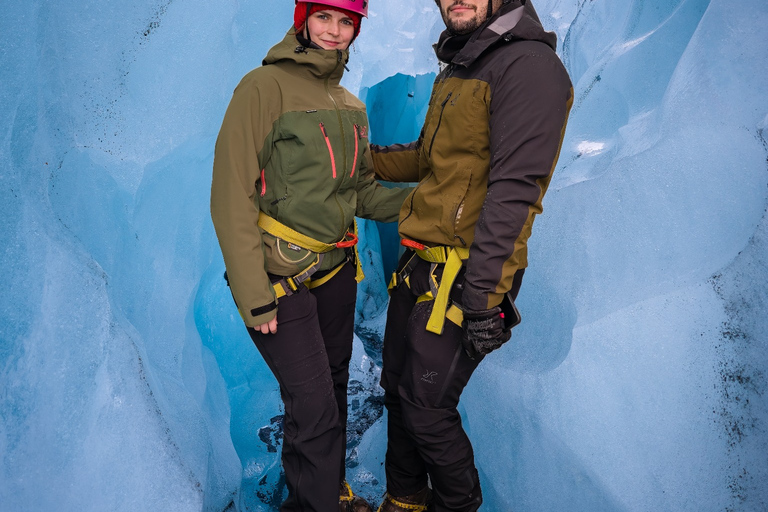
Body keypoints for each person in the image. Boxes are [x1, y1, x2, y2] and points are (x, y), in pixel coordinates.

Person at [370, 0, 573, 511]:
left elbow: (513, 192)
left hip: (464, 276)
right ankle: (405, 500)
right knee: (396, 389)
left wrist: (484, 298)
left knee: (426, 410)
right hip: (421, 264)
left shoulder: (527, 67)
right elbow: (428, 158)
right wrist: (357, 162)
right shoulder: (462, 66)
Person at [210, 1, 413, 510]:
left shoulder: (350, 105)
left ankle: (316, 496)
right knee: (316, 406)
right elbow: (230, 193)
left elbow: (361, 193)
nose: (334, 31)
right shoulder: (264, 88)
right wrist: (256, 297)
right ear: (303, 18)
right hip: (281, 280)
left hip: (337, 273)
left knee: (332, 392)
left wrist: (424, 203)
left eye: (347, 21)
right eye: (324, 16)